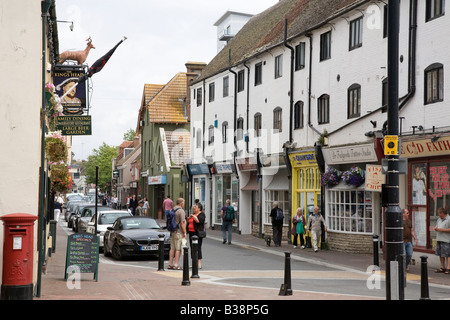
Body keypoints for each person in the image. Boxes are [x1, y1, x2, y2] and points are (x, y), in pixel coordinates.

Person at [168, 198, 187, 270]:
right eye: (183, 203)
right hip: (178, 231)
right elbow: (182, 223)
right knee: (178, 249)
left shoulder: (172, 209)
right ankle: (176, 264)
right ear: (181, 203)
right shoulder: (181, 211)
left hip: (172, 231)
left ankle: (170, 264)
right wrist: (184, 232)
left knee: (172, 248)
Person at [187, 202, 206, 269]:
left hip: (197, 233)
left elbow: (198, 221)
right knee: (192, 248)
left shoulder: (202, 214)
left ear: (199, 208)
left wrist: (194, 216)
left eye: (195, 207)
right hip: (191, 233)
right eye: (194, 207)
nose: (194, 208)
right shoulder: (193, 214)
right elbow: (188, 221)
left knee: (198, 247)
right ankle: (194, 262)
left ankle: (199, 263)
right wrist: (189, 218)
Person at [434, 207, 450, 274]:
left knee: (448, 254)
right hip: (439, 238)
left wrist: (441, 230)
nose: (438, 215)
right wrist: (436, 228)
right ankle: (442, 267)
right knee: (441, 254)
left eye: (439, 213)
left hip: (446, 239)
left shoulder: (449, 219)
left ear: (442, 213)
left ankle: (448, 268)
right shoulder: (439, 219)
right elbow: (437, 226)